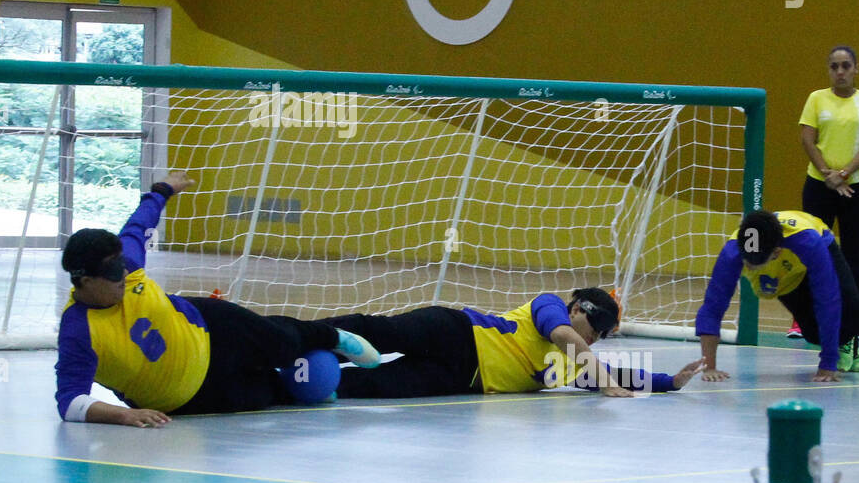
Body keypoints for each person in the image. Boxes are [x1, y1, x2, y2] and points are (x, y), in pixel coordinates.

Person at [55, 171, 382, 427]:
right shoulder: (78, 331)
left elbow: (139, 223)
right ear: (84, 280)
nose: (123, 277)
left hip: (209, 324)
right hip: (190, 397)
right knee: (263, 394)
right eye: (113, 273)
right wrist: (122, 415)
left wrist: (163, 189)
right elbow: (70, 402)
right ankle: (309, 386)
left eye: (122, 267)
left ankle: (335, 336)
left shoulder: (127, 267)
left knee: (280, 341)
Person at [321, 288, 705, 400]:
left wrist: (668, 382)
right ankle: (302, 336)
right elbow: (561, 335)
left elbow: (621, 375)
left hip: (461, 380)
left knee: (371, 386)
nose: (595, 338)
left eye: (603, 335)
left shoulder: (577, 364)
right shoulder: (550, 306)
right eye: (595, 326)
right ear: (577, 309)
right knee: (376, 333)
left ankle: (287, 384)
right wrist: (603, 378)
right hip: (456, 332)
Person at [697, 209, 859, 382]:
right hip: (787, 277)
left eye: (755, 263)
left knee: (854, 312)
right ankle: (834, 339)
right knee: (812, 334)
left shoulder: (809, 241)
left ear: (776, 253)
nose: (748, 268)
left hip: (818, 252)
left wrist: (828, 364)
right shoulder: (732, 253)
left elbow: (827, 298)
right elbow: (712, 306)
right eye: (746, 261)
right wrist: (709, 368)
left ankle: (845, 343)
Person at [791, 46, 859, 342]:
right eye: (834, 66)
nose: (840, 71)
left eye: (846, 66)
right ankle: (801, 320)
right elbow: (808, 139)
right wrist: (828, 175)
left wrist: (843, 174)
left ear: (857, 68)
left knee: (852, 254)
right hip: (819, 187)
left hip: (857, 188)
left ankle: (858, 323)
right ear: (828, 70)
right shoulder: (816, 99)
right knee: (812, 251)